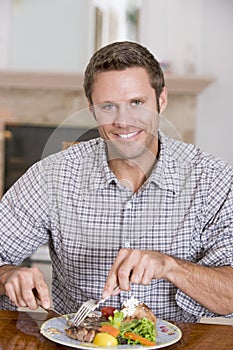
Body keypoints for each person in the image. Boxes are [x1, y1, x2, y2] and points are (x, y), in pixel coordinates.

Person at [0, 41, 232, 322]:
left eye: (137, 103)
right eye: (108, 106)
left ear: (161, 100)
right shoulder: (52, 175)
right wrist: (8, 275)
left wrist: (169, 266)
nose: (124, 121)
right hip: (77, 342)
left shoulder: (212, 179)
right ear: (91, 108)